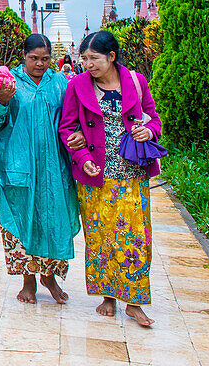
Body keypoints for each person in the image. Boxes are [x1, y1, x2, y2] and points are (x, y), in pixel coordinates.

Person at [60, 30, 161, 327]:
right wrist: (82, 158)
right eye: (84, 59)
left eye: (94, 58)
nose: (88, 64)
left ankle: (135, 302)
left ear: (112, 57)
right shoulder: (78, 86)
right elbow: (67, 128)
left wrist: (149, 131)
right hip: (96, 175)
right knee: (101, 238)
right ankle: (108, 296)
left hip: (132, 174)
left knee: (136, 239)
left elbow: (153, 119)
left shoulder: (135, 82)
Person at [0, 34, 79, 305]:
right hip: (16, 166)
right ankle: (28, 281)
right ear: (23, 55)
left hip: (53, 168)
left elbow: (71, 120)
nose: (40, 64)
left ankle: (50, 277)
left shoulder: (59, 83)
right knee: (21, 222)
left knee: (52, 221)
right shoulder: (7, 82)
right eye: (34, 58)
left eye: (45, 59)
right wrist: (0, 100)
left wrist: (78, 136)